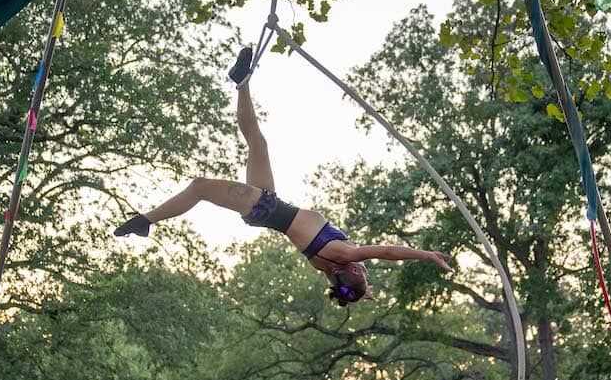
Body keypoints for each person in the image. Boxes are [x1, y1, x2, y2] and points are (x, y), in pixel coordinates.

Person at [115, 52, 452, 308]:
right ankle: (242, 83)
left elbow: (388, 251)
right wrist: (359, 292)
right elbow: (344, 284)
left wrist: (426, 255)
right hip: (267, 206)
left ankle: (145, 221)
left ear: (352, 270)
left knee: (200, 187)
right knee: (257, 142)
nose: (365, 268)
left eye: (363, 271)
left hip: (263, 207)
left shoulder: (344, 253)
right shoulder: (327, 266)